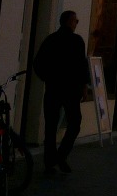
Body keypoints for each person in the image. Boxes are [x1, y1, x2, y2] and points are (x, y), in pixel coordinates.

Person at [33, 10, 90, 175]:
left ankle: (50, 161)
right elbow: (81, 65)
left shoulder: (51, 40)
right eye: (76, 21)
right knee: (75, 122)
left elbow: (38, 63)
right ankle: (61, 155)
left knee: (50, 126)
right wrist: (83, 87)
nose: (77, 23)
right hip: (70, 90)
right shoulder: (76, 41)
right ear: (70, 22)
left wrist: (48, 78)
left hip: (53, 89)